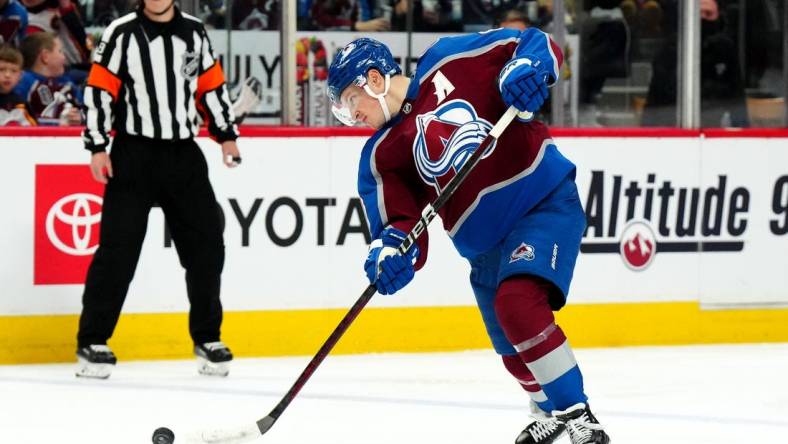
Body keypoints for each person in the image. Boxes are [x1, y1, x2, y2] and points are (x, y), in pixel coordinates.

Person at [327, 35, 609, 444]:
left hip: (540, 203)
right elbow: (399, 222)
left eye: (353, 103)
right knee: (506, 340)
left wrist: (525, 69)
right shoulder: (381, 154)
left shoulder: (450, 58)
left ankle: (576, 411)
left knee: (518, 305)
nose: (355, 117)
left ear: (374, 79)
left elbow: (535, 42)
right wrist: (391, 251)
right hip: (483, 247)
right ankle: (547, 408)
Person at [76, 0, 241, 379]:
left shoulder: (195, 32)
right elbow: (100, 90)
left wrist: (226, 137)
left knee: (207, 246)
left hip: (183, 155)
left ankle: (207, 337)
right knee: (118, 250)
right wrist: (98, 146)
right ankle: (93, 340)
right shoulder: (121, 32)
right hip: (133, 153)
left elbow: (211, 87)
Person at [15, 32, 81, 125]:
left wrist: (80, 118)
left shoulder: (68, 83)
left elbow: (86, 112)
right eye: (60, 51)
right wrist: (58, 123)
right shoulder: (23, 81)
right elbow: (20, 119)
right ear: (45, 56)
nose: (64, 57)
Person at [0, 44, 35, 125]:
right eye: (1, 69)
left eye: (14, 71)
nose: (7, 75)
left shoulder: (21, 104)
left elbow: (34, 133)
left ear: (20, 76)